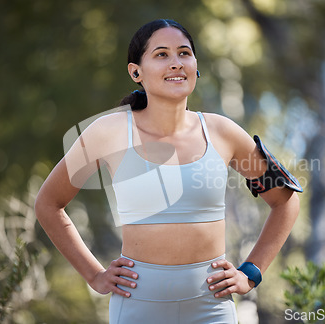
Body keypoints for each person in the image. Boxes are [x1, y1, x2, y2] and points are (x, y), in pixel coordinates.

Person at [34, 19, 300, 324]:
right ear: (136, 72)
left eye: (184, 53)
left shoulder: (221, 132)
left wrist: (251, 272)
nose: (176, 63)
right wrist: (94, 275)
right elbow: (48, 204)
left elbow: (285, 201)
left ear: (196, 65)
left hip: (212, 308)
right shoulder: (108, 132)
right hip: (137, 307)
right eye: (162, 55)